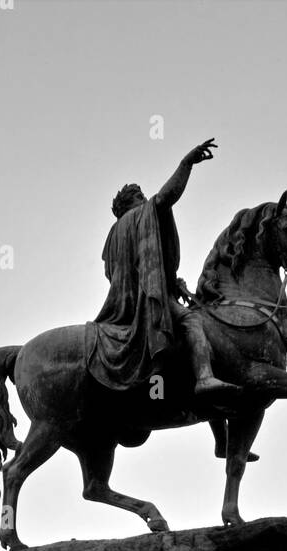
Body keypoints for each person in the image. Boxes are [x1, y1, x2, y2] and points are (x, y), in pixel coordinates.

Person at [88, 138, 239, 401]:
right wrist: (186, 164)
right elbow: (166, 197)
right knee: (192, 320)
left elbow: (112, 273)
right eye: (140, 196)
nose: (145, 199)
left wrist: (170, 281)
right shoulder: (140, 216)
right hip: (146, 303)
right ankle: (204, 378)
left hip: (121, 306)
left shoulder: (112, 237)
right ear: (132, 202)